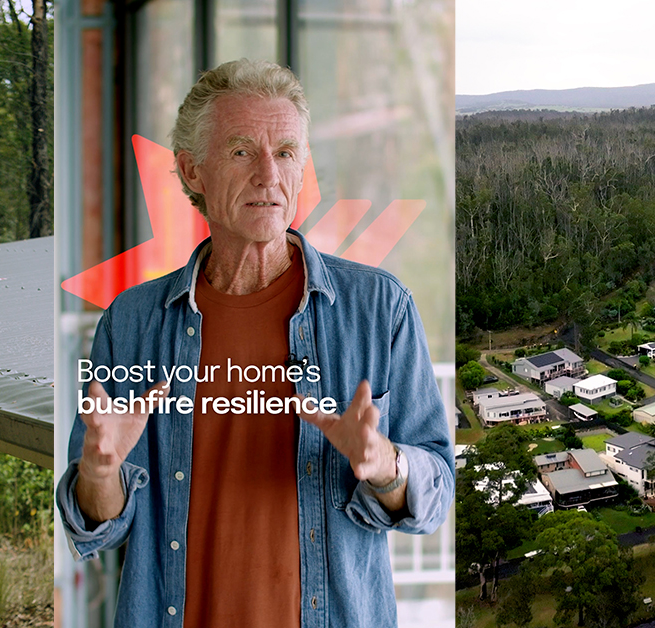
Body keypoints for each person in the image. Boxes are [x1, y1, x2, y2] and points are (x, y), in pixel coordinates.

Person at [57, 59, 454, 627]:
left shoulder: (380, 308)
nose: (269, 175)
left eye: (287, 152)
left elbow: (435, 494)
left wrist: (387, 465)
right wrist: (98, 474)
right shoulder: (133, 323)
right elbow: (101, 522)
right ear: (192, 170)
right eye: (242, 151)